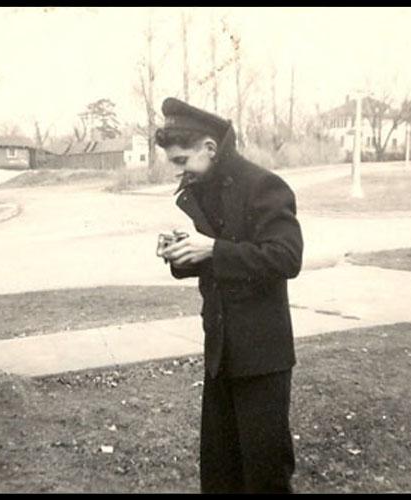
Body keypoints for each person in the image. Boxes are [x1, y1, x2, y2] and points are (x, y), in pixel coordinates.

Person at [155, 98, 304, 493]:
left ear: (209, 148)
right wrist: (184, 254)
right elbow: (220, 256)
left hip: (262, 356)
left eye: (182, 159)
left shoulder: (262, 185)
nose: (179, 170)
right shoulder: (205, 186)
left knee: (265, 474)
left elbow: (286, 258)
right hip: (221, 353)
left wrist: (211, 249)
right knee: (220, 472)